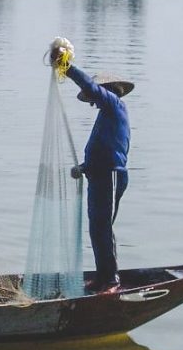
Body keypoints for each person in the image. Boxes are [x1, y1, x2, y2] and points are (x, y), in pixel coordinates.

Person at [50, 39, 133, 293]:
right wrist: (84, 168)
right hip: (98, 175)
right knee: (96, 226)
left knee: (103, 226)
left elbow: (89, 86)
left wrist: (67, 66)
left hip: (111, 175)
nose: (92, 101)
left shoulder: (115, 105)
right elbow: (102, 149)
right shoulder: (105, 115)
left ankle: (111, 281)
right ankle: (102, 276)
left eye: (96, 95)